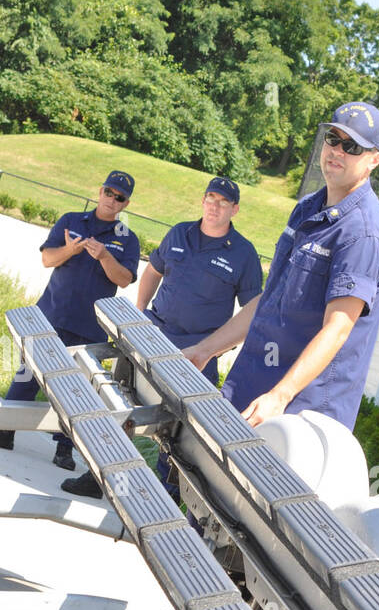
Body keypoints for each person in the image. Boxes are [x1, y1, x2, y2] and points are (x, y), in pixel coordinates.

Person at [131, 102, 379, 610]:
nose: (336, 151)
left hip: (301, 412)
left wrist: (281, 395)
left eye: (351, 146)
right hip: (251, 389)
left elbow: (339, 325)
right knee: (214, 516)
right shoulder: (309, 210)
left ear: (374, 160)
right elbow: (265, 304)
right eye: (332, 138)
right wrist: (205, 349)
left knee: (253, 538)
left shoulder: (364, 228)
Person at [61, 175, 263, 498]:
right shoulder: (179, 232)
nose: (214, 206)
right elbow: (153, 270)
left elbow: (253, 308)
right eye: (210, 198)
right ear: (203, 201)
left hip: (197, 354)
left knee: (180, 433)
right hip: (153, 337)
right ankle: (97, 477)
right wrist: (140, 312)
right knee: (119, 405)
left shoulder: (244, 254)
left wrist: (218, 346)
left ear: (234, 210)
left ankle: (164, 498)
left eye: (223, 202)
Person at [0, 171, 140, 469]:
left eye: (119, 197)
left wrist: (105, 258)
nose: (112, 200)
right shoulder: (71, 220)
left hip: (91, 327)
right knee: (27, 375)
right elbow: (47, 259)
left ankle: (65, 450)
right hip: (52, 314)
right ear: (100, 192)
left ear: (125, 204)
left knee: (78, 391)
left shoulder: (127, 239)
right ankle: (4, 430)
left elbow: (124, 280)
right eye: (109, 192)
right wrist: (71, 249)